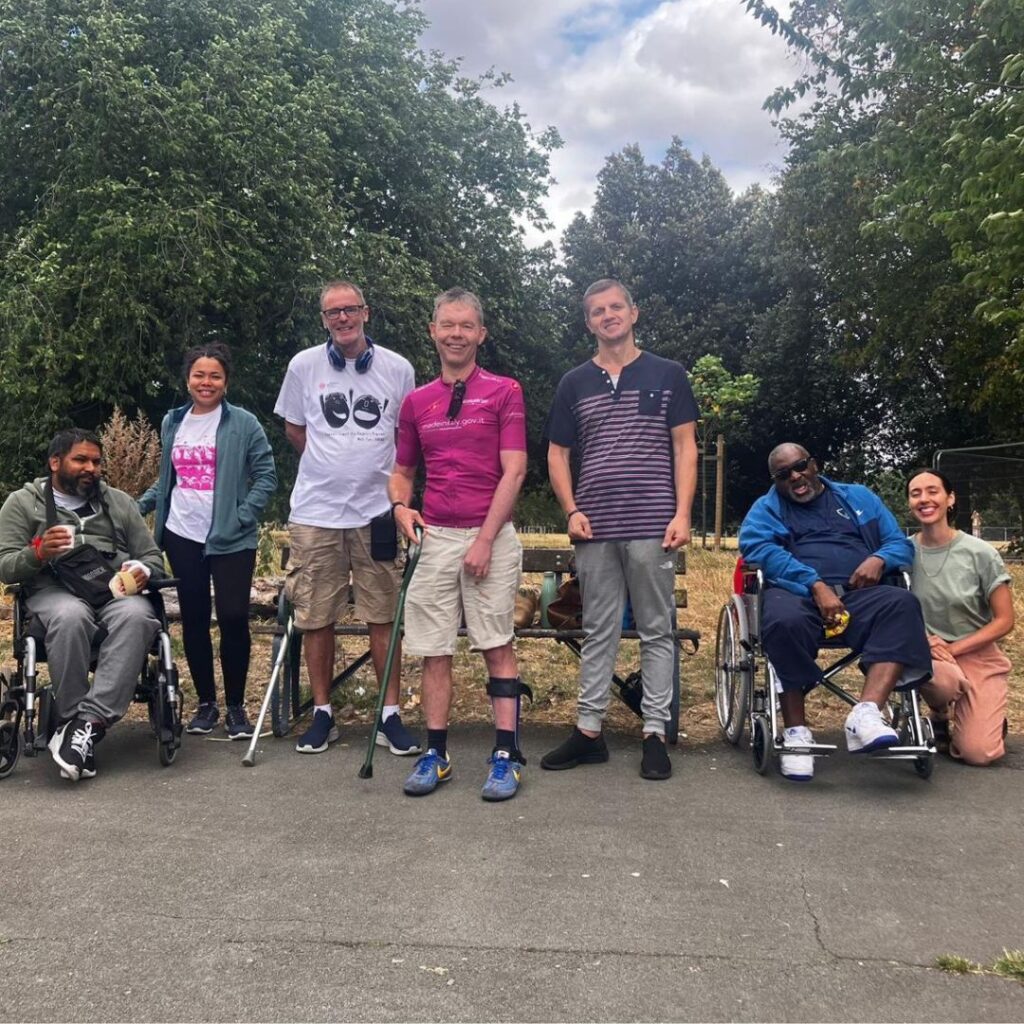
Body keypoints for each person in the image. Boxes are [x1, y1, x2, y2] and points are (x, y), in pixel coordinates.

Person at [541, 278, 698, 781]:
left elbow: (685, 448)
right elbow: (557, 454)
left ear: (634, 312)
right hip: (594, 525)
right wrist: (569, 510)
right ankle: (589, 731)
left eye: (616, 307)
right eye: (597, 311)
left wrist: (683, 513)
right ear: (588, 322)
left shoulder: (669, 374)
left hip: (654, 523)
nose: (607, 316)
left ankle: (654, 733)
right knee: (597, 629)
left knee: (656, 629)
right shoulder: (574, 383)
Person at [389, 287, 529, 801]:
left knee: (496, 643)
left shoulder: (505, 391)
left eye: (466, 325)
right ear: (433, 331)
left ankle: (506, 754)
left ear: (481, 334)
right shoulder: (416, 401)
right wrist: (402, 508)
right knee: (433, 650)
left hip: (487, 534)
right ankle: (436, 753)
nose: (455, 334)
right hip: (436, 537)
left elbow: (514, 470)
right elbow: (402, 473)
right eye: (447, 324)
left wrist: (486, 539)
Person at [275, 280, 419, 756]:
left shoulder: (398, 368)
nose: (342, 319)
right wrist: (330, 465)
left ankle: (389, 715)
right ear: (323, 320)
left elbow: (407, 438)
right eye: (332, 313)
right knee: (317, 616)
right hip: (316, 512)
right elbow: (295, 429)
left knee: (384, 613)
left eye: (350, 310)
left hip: (378, 512)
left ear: (366, 312)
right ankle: (322, 713)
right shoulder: (303, 365)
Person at [738, 444, 932, 781]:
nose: (795, 477)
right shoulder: (766, 509)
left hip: (860, 594)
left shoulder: (858, 497)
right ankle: (796, 730)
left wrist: (880, 559)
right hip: (797, 594)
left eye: (800, 467)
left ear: (814, 464)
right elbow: (757, 548)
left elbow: (899, 543)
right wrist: (814, 584)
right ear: (776, 481)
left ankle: (866, 714)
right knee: (783, 621)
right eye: (784, 475)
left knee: (902, 605)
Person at [0, 428, 167, 781]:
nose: (91, 467)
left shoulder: (119, 502)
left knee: (139, 615)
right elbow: (5, 565)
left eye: (96, 461)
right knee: (71, 614)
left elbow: (152, 557)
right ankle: (74, 722)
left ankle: (86, 724)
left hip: (110, 592)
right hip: (52, 592)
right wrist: (37, 553)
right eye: (81, 460)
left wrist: (141, 570)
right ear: (55, 462)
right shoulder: (23, 502)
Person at [139, 342, 277, 740]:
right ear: (188, 379)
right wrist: (141, 505)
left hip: (231, 538)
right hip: (181, 534)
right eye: (199, 374)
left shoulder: (244, 423)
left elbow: (266, 475)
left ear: (226, 382)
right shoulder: (172, 422)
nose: (206, 382)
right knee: (195, 620)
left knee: (234, 617)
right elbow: (169, 479)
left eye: (215, 375)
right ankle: (205, 705)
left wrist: (241, 515)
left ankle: (235, 708)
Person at [907, 469, 1013, 765]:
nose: (924, 499)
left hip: (976, 653)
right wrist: (929, 643)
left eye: (933, 491)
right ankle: (939, 714)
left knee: (978, 753)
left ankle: (984, 718)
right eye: (916, 494)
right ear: (909, 504)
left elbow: (1005, 620)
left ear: (950, 499)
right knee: (941, 681)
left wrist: (954, 649)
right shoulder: (903, 553)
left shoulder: (980, 553)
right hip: (930, 653)